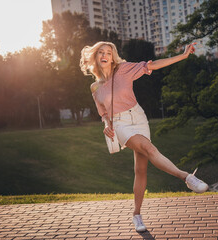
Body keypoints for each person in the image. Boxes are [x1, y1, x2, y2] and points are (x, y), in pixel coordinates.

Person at [80, 41, 208, 232]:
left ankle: (136, 214)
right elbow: (103, 113)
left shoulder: (123, 69)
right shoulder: (94, 88)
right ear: (95, 57)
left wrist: (183, 55)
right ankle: (187, 178)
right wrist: (107, 125)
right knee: (149, 148)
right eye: (101, 52)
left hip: (138, 118)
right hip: (120, 124)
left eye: (109, 52)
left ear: (113, 56)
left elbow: (152, 65)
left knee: (141, 169)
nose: (105, 55)